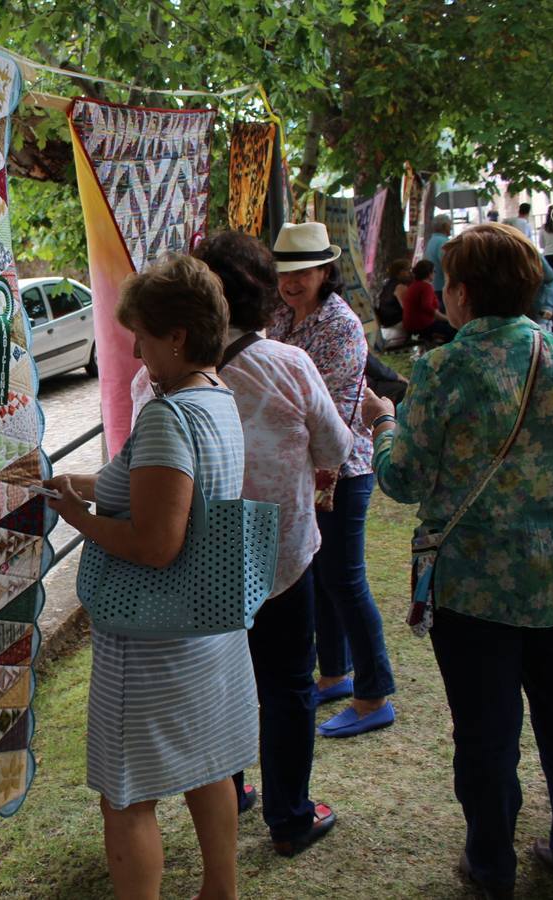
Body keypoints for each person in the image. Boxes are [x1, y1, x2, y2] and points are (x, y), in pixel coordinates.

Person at [364, 222, 553, 898]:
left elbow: (402, 480)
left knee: (486, 736)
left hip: (474, 594)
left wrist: (384, 425)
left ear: (458, 292)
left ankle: (491, 866)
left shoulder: (444, 369)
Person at [45, 253, 257, 900]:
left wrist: (74, 515)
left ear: (177, 336)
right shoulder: (216, 399)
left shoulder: (168, 415)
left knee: (127, 795)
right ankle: (220, 891)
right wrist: (84, 485)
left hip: (153, 641)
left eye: (141, 335)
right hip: (205, 630)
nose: (136, 352)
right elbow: (160, 493)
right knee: (210, 767)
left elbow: (156, 543)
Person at [190, 231, 351, 857]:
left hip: (202, 560)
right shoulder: (289, 364)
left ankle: (230, 795)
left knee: (220, 684)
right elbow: (336, 448)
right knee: (287, 686)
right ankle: (290, 817)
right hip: (281, 559)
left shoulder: (166, 377)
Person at [268, 222, 396, 737]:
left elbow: (322, 408)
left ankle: (374, 695)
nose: (292, 282)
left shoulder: (341, 325)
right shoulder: (280, 316)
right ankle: (337, 674)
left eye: (303, 272)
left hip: (343, 467)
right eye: (284, 273)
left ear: (325, 271)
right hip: (302, 467)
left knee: (345, 579)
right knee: (320, 575)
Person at [400, 259, 456, 342]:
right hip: (422, 327)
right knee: (455, 329)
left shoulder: (414, 285)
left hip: (411, 327)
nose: (435, 274)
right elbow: (428, 307)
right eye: (434, 271)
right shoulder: (426, 287)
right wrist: (448, 319)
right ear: (429, 274)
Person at [373, 258, 409, 350]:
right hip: (396, 323)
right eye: (408, 270)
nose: (409, 273)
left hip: (385, 321)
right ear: (401, 272)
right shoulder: (400, 286)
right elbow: (407, 309)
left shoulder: (387, 285)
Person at [425, 213, 452, 298]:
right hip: (442, 287)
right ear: (444, 226)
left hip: (434, 285)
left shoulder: (432, 240)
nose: (451, 228)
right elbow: (448, 265)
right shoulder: (443, 242)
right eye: (450, 225)